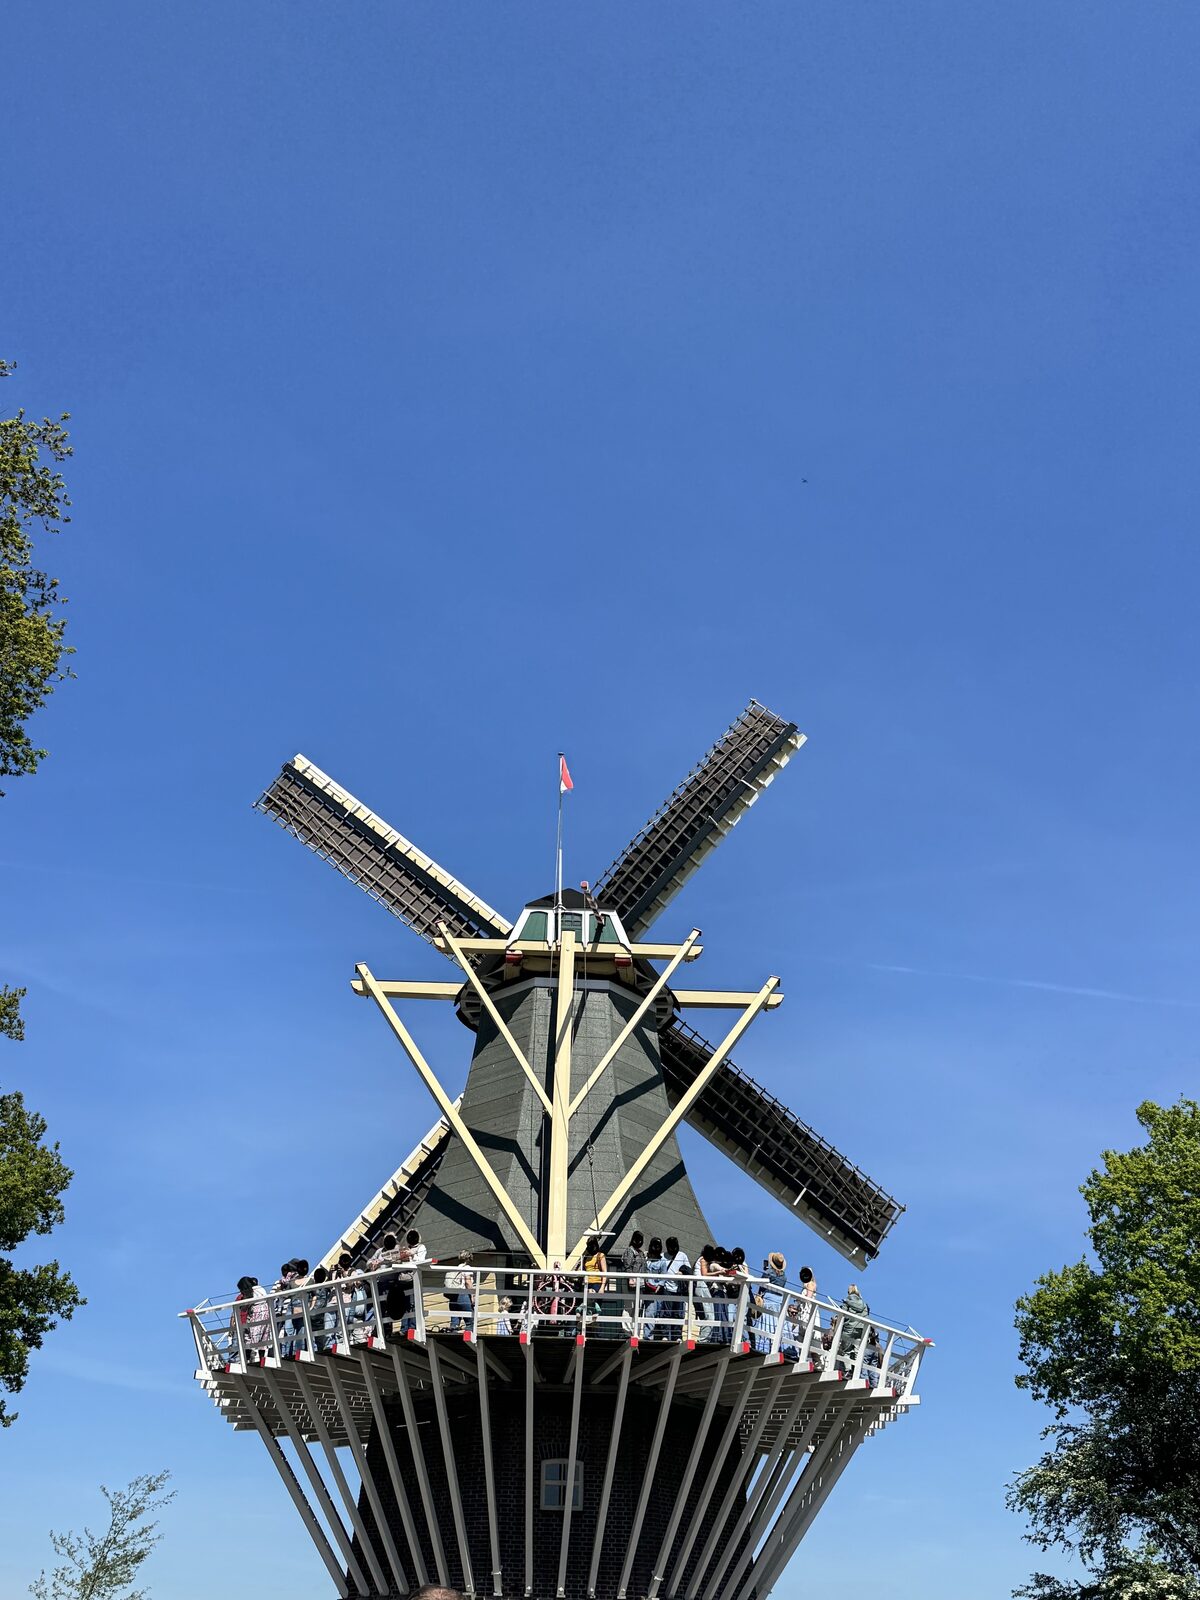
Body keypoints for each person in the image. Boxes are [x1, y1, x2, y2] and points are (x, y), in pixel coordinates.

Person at [753, 1251, 786, 1354]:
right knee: (776, 1325)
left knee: (766, 1323)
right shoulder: (784, 1276)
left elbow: (761, 1285)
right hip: (779, 1300)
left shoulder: (768, 1272)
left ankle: (764, 1347)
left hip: (769, 1299)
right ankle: (776, 1348)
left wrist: (758, 1296)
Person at [662, 1236, 691, 1341]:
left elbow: (689, 1269)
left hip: (679, 1289)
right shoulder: (663, 1256)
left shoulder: (682, 1255)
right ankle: (665, 1335)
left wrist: (682, 1272)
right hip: (667, 1288)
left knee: (678, 1313)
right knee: (667, 1312)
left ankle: (677, 1336)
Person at [838, 1282, 870, 1371]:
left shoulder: (847, 1301)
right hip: (861, 1328)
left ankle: (848, 1370)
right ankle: (857, 1370)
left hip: (849, 1328)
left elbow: (843, 1315)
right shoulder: (864, 1303)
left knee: (846, 1351)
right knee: (857, 1351)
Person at [620, 1230, 647, 1332]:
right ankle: (627, 1330)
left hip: (640, 1284)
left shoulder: (640, 1253)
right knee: (629, 1306)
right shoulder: (629, 1251)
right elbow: (627, 1265)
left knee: (638, 1306)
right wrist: (630, 1279)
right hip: (630, 1282)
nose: (639, 1242)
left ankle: (635, 1330)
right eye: (637, 1239)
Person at [642, 1236, 668, 1339]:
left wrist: (660, 1285)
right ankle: (647, 1337)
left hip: (656, 1291)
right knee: (649, 1313)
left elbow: (664, 1276)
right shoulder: (646, 1259)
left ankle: (655, 1336)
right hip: (646, 1289)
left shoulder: (662, 1262)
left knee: (657, 1314)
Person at [694, 1243, 717, 1340]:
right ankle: (704, 1339)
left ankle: (704, 1337)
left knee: (706, 1314)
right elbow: (704, 1275)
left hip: (700, 1286)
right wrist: (719, 1272)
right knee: (709, 1314)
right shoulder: (703, 1259)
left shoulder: (702, 1259)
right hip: (701, 1285)